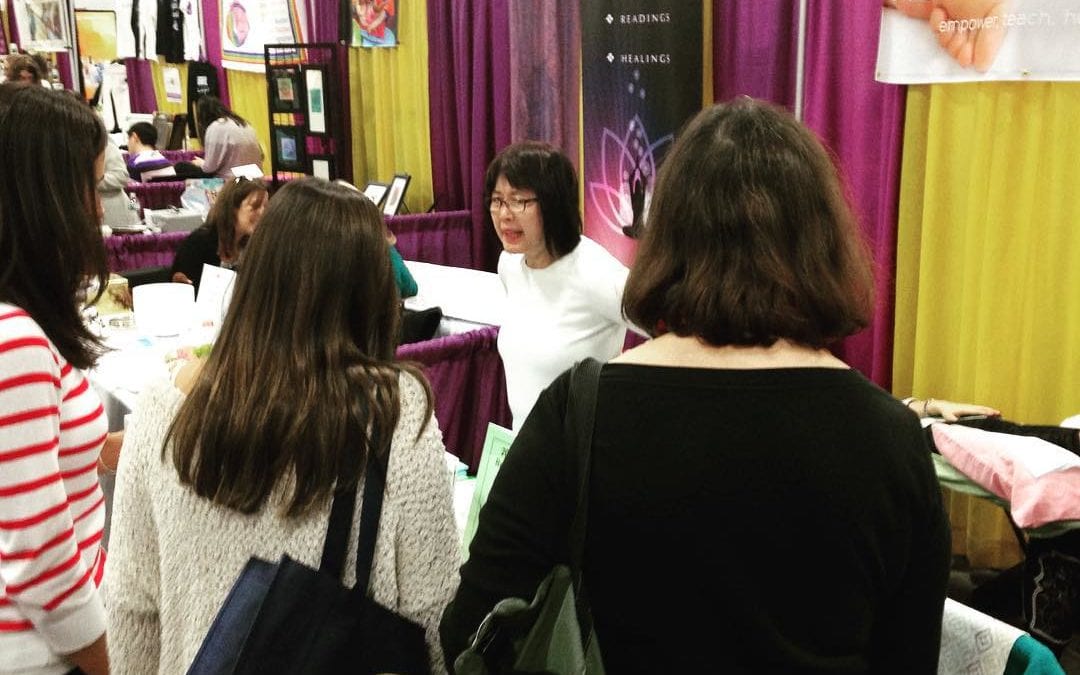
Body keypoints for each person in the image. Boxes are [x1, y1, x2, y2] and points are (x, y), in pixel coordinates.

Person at [441, 99, 952, 672]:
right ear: (824, 245)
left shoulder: (579, 413)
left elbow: (471, 630)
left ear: (668, 238)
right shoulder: (891, 440)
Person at [105, 177, 461, 672]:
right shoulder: (394, 415)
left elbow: (131, 610)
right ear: (372, 296)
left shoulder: (164, 408)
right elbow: (431, 612)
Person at [0, 83, 118, 675]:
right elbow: (39, 551)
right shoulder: (13, 339)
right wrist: (107, 664)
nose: (99, 211)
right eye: (90, 189)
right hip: (44, 654)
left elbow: (34, 466)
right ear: (39, 195)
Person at [487, 141, 637, 429]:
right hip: (525, 449)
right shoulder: (509, 264)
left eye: (518, 200)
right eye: (497, 200)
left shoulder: (595, 272)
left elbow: (669, 332)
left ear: (553, 203)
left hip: (580, 457)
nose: (505, 214)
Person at [169, 177, 268, 292]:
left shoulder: (257, 245)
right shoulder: (198, 244)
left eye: (265, 206)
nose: (262, 213)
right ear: (232, 208)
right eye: (255, 207)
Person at [189, 96, 263, 179]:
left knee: (183, 167)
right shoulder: (244, 123)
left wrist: (200, 163)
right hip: (256, 179)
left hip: (233, 182)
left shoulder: (216, 127)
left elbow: (209, 168)